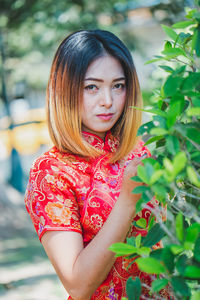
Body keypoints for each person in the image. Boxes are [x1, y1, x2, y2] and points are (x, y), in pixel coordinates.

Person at [24, 30, 171, 300]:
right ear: (63, 89)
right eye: (91, 87)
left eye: (118, 85)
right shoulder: (51, 172)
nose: (108, 100)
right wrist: (128, 201)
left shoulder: (137, 151)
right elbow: (78, 285)